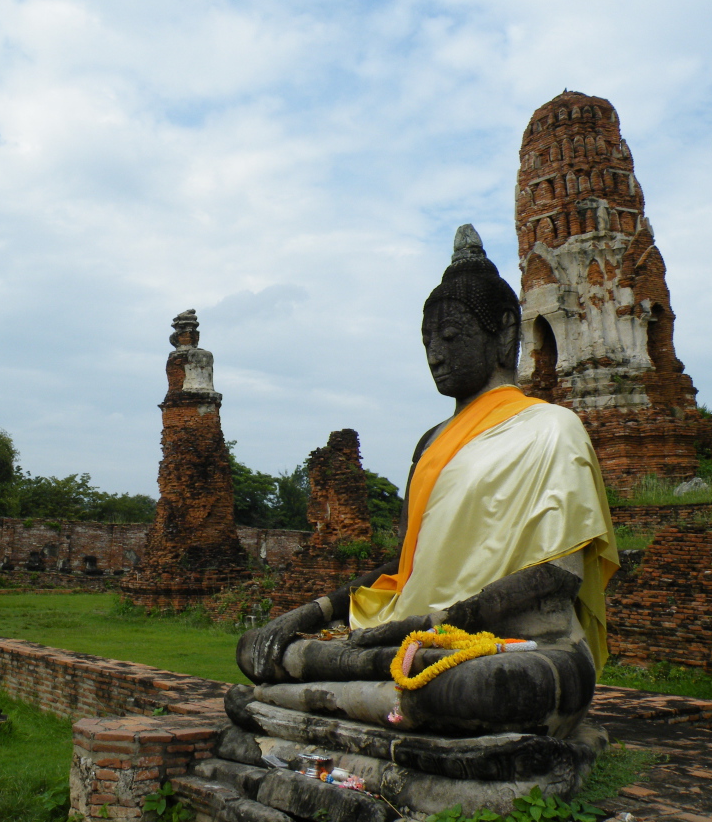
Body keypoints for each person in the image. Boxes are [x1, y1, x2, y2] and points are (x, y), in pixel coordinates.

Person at [233, 225, 618, 738]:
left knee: (490, 684)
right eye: (427, 341)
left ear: (506, 333)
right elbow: (406, 566)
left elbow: (559, 573)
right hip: (411, 633)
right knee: (260, 648)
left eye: (451, 337)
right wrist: (307, 614)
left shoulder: (551, 428)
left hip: (516, 642)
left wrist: (430, 625)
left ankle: (293, 703)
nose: (435, 354)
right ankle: (352, 695)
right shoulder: (430, 443)